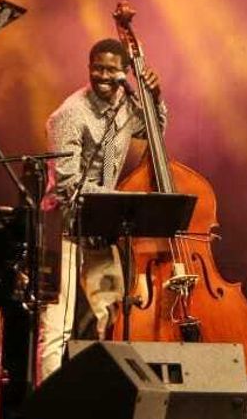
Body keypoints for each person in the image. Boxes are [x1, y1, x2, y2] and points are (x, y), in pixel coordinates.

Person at [38, 38, 164, 379]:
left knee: (110, 314)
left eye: (111, 69)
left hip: (101, 223)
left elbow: (155, 132)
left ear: (125, 73)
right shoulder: (70, 115)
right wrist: (117, 203)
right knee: (57, 323)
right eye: (97, 68)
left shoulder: (125, 106)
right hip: (64, 226)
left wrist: (155, 97)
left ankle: (97, 399)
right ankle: (45, 413)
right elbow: (67, 186)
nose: (103, 76)